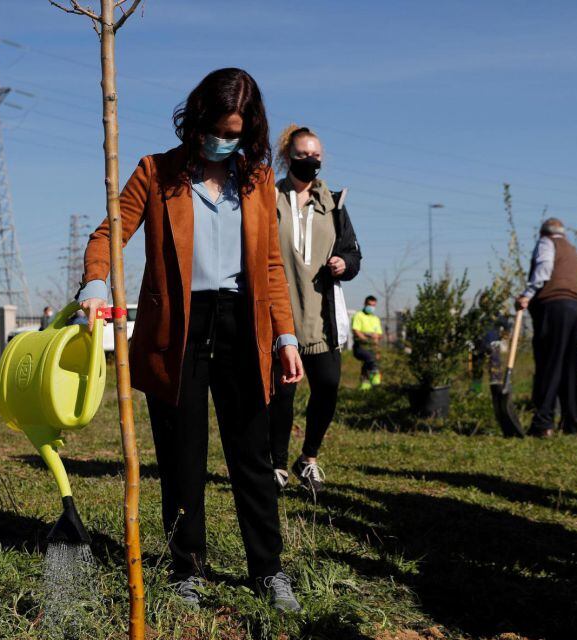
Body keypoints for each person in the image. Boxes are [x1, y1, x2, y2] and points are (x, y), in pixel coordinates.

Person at [76, 68, 306, 611]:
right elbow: (110, 231)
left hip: (242, 326)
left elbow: (271, 266)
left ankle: (268, 570)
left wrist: (286, 337)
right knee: (183, 456)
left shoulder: (256, 179)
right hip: (175, 328)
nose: (221, 140)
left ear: (249, 131)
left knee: (251, 454)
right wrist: (95, 280)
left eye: (234, 131)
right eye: (214, 127)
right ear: (196, 118)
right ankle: (187, 569)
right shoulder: (157, 172)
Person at [267, 125, 361, 497]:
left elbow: (354, 254)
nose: (313, 161)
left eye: (317, 155)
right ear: (288, 157)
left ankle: (308, 459)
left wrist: (344, 263)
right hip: (281, 316)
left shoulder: (334, 203)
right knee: (282, 396)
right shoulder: (269, 197)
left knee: (328, 387)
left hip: (322, 319)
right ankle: (276, 464)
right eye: (305, 155)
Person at [514, 218, 577, 438]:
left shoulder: (547, 243)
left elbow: (544, 268)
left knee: (549, 365)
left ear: (543, 232)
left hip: (556, 308)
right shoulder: (571, 249)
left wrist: (527, 295)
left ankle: (543, 423)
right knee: (569, 367)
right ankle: (570, 424)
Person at [351, 296, 383, 390]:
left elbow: (377, 336)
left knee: (368, 362)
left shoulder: (375, 319)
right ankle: (375, 373)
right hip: (360, 347)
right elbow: (356, 330)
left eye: (373, 305)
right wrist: (367, 337)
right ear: (365, 304)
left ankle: (365, 384)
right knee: (369, 358)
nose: (371, 307)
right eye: (369, 305)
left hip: (372, 347)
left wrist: (377, 350)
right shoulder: (358, 315)